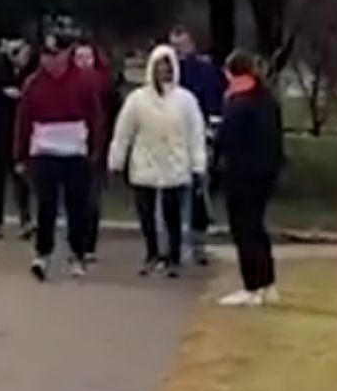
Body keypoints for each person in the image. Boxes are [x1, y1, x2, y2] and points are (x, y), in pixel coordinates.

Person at [108, 43, 208, 277]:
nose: (164, 72)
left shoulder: (186, 100)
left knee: (173, 214)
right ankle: (152, 253)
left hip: (175, 164)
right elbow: (123, 132)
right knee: (146, 213)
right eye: (159, 67)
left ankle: (173, 257)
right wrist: (116, 160)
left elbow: (196, 134)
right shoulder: (138, 99)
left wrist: (198, 164)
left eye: (168, 67)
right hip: (145, 164)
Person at [14, 32, 106, 281]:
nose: (49, 61)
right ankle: (42, 253)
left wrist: (95, 148)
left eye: (55, 55)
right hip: (44, 151)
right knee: (46, 205)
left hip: (75, 151)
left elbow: (95, 117)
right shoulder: (34, 84)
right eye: (45, 56)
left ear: (67, 55)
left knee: (78, 206)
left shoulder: (84, 82)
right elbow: (23, 121)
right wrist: (20, 155)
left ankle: (77, 254)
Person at [215, 50, 284, 306]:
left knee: (244, 230)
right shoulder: (267, 100)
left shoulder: (237, 102)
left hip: (242, 174)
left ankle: (252, 285)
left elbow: (227, 139)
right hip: (265, 173)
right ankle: (268, 283)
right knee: (257, 228)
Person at [170, 26, 226, 262]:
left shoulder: (205, 72)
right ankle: (172, 244)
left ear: (191, 45)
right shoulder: (167, 72)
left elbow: (214, 101)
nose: (179, 51)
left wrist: (212, 130)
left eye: (182, 45)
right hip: (171, 137)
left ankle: (197, 241)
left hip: (198, 136)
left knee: (198, 189)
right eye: (175, 46)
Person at [71, 40, 121, 259]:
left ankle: (88, 244)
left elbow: (114, 115)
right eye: (79, 58)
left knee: (92, 200)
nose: (83, 62)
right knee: (74, 199)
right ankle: (76, 244)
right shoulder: (66, 85)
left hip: (98, 148)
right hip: (72, 147)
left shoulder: (105, 85)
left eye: (87, 57)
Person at [0, 38, 35, 240]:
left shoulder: (27, 74)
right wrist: (5, 93)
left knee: (21, 176)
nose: (25, 59)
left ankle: (26, 219)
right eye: (23, 55)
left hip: (19, 132)